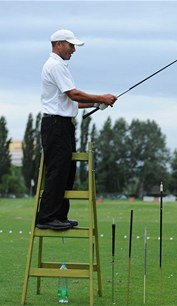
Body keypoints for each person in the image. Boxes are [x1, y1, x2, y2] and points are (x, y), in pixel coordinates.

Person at [36, 29, 117, 230]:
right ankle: (46, 217)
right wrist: (100, 98)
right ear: (59, 44)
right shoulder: (55, 65)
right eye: (71, 45)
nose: (73, 49)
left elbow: (69, 102)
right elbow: (73, 94)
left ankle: (59, 216)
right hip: (56, 125)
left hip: (62, 124)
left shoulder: (59, 66)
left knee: (67, 171)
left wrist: (95, 104)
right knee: (57, 171)